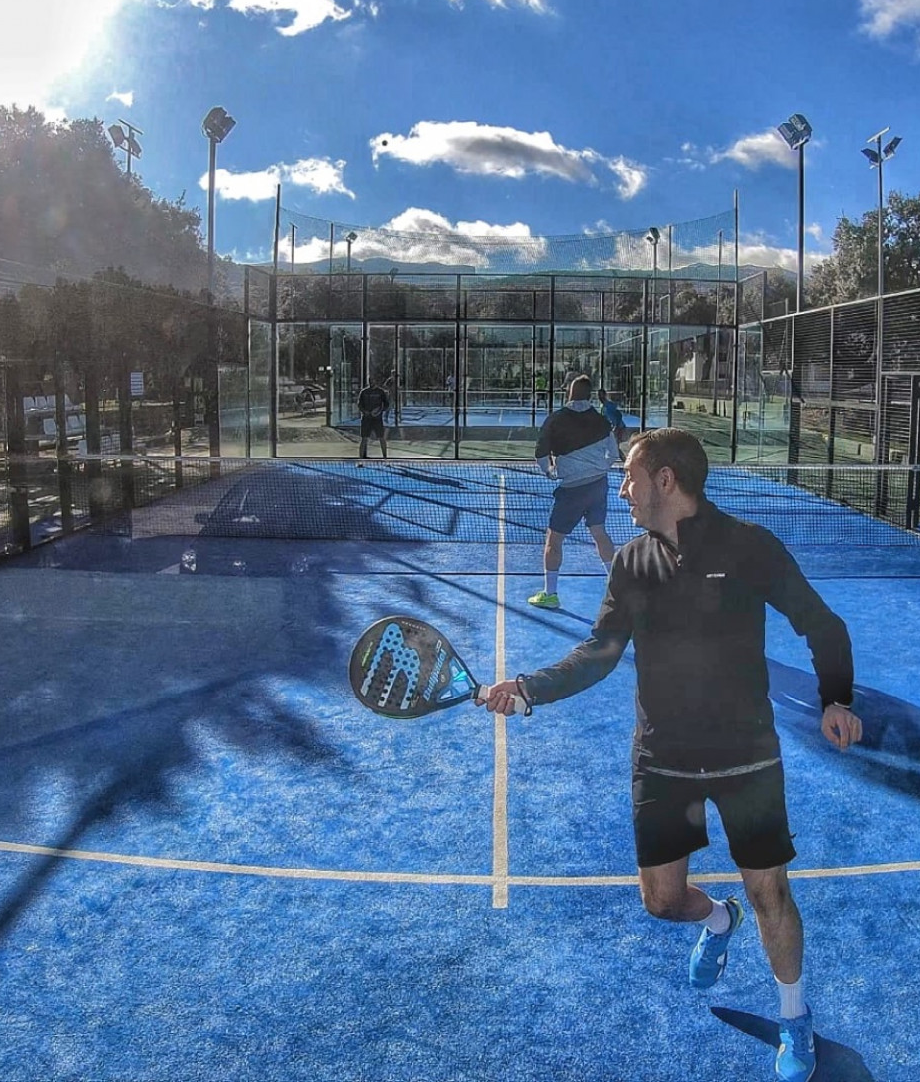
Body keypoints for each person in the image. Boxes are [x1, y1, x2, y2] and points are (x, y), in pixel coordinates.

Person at [482, 428, 860, 1082]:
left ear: (665, 480)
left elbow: (822, 624)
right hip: (662, 757)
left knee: (770, 890)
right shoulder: (632, 562)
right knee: (660, 901)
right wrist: (529, 687)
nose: (621, 490)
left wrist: (836, 698)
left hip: (746, 757)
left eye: (630, 476)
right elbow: (600, 652)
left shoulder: (749, 546)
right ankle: (717, 919)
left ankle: (794, 1018)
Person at [527, 375, 620, 610]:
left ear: (569, 393)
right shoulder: (601, 421)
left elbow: (540, 453)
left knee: (554, 540)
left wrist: (550, 472)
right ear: (590, 395)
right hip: (598, 485)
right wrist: (600, 467)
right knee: (599, 532)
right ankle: (618, 587)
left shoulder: (556, 419)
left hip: (571, 491)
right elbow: (613, 453)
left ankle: (550, 594)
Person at [357, 380, 390, 459]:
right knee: (364, 438)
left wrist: (378, 411)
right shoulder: (364, 392)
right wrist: (365, 412)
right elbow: (359, 405)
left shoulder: (381, 392)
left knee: (381, 438)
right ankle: (361, 459)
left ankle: (385, 457)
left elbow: (386, 405)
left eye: (373, 381)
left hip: (377, 419)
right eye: (370, 381)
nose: (371, 382)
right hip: (366, 419)